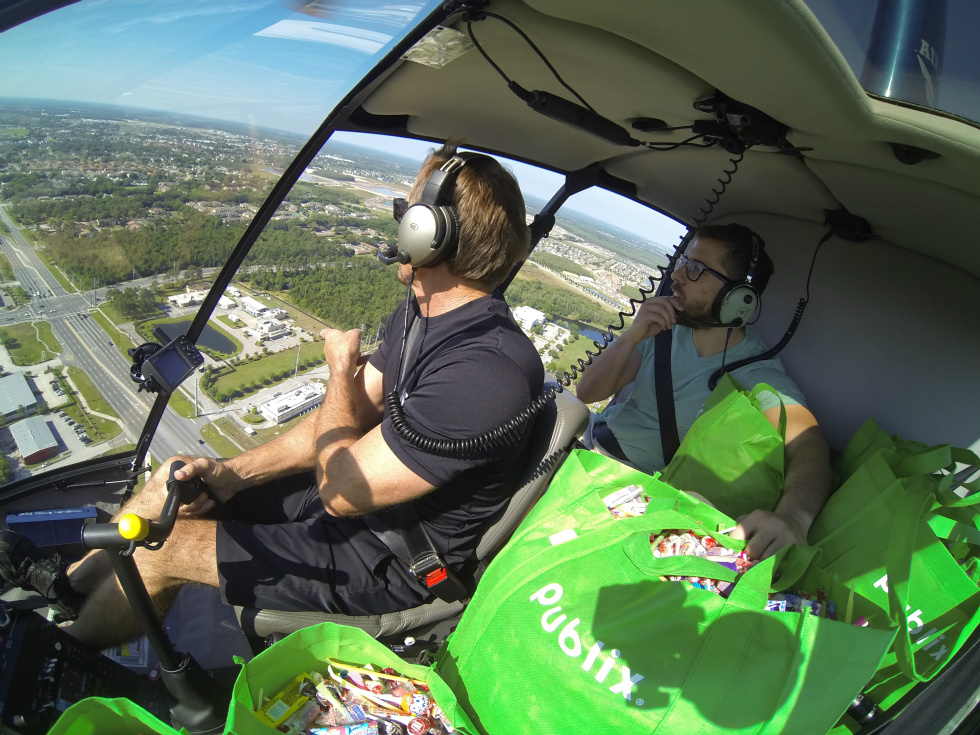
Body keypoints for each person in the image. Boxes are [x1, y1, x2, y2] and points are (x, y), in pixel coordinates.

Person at [0, 143, 543, 649]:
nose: (399, 225)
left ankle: (59, 657)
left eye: (407, 214)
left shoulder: (485, 371)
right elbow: (348, 419)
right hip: (359, 508)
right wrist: (232, 473)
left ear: (432, 233)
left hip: (390, 557)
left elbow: (341, 491)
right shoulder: (423, 315)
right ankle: (69, 588)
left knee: (166, 550)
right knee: (178, 482)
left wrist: (337, 373)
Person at [576, 224, 832, 560]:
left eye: (695, 269)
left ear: (738, 298)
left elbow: (810, 446)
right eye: (684, 261)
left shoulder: (756, 373)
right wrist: (632, 336)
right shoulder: (663, 327)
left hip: (630, 490)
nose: (678, 275)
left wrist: (794, 518)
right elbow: (588, 391)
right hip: (588, 447)